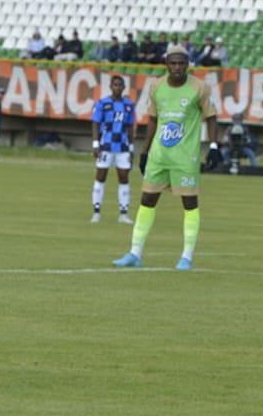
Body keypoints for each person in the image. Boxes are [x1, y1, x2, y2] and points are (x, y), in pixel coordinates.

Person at [113, 46, 219, 271]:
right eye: (173, 63)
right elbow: (152, 119)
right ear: (166, 64)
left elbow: (211, 117)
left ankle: (186, 257)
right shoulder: (157, 86)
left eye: (182, 63)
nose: (177, 67)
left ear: (188, 64)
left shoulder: (200, 88)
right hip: (159, 156)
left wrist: (214, 145)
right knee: (147, 200)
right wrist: (145, 151)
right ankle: (134, 253)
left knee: (189, 203)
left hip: (185, 158)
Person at [90, 75, 137, 224]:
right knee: (101, 176)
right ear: (110, 86)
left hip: (122, 147)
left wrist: (131, 148)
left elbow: (130, 127)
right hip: (105, 146)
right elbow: (95, 124)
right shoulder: (102, 104)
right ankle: (96, 212)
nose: (117, 87)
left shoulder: (129, 106)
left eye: (120, 85)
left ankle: (123, 214)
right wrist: (96, 144)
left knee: (124, 178)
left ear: (124, 88)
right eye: (115, 85)